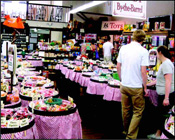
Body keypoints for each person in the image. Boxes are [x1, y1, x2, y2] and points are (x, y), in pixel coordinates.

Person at [116, 29, 149, 139]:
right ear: (143, 39)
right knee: (138, 112)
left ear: (133, 37)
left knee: (125, 110)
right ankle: (130, 136)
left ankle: (126, 131)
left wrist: (122, 79)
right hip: (136, 86)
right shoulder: (143, 51)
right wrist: (145, 87)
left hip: (124, 85)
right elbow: (143, 72)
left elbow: (118, 66)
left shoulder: (123, 48)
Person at [147, 46, 175, 139]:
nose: (155, 55)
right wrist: (149, 84)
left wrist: (166, 98)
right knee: (160, 115)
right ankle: (158, 134)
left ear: (160, 52)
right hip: (163, 94)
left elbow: (168, 80)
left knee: (163, 116)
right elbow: (161, 79)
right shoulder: (165, 63)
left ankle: (160, 135)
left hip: (166, 95)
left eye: (156, 53)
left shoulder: (166, 64)